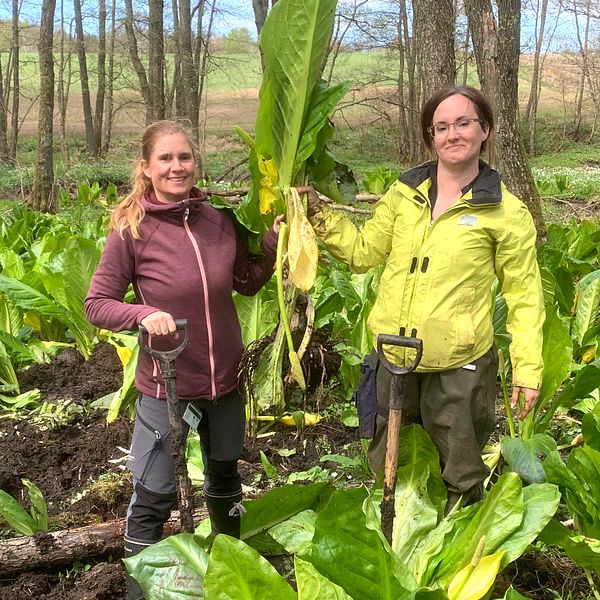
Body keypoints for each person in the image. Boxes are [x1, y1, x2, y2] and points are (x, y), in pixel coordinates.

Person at [305, 85, 544, 513]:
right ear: (431, 137)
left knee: (460, 468)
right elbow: (363, 252)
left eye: (463, 123)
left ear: (484, 130)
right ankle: (402, 544)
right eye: (441, 127)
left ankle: (456, 555)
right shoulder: (404, 194)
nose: (452, 134)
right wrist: (317, 217)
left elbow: (524, 295)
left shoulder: (505, 212)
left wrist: (527, 369)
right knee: (392, 465)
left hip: (458, 365)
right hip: (393, 356)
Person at [85, 120, 279, 600]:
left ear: (196, 162)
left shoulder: (219, 221)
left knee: (226, 475)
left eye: (185, 157)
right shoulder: (131, 229)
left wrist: (274, 245)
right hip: (166, 381)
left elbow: (248, 281)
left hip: (225, 382)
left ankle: (228, 572)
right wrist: (143, 313)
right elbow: (97, 303)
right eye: (166, 159)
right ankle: (137, 588)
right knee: (153, 494)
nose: (177, 167)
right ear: (146, 167)